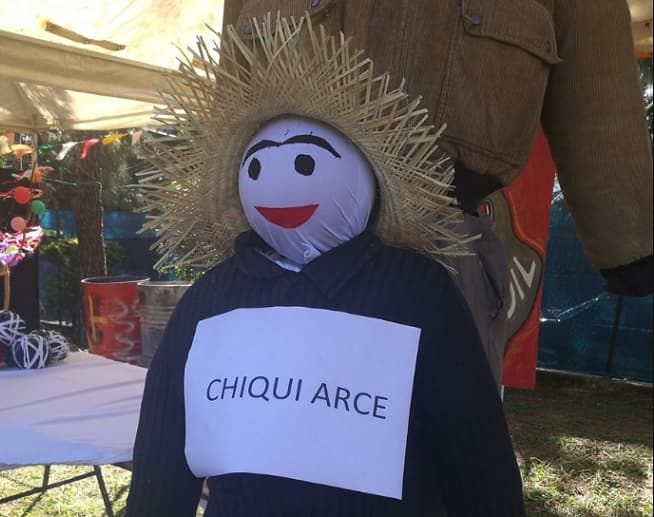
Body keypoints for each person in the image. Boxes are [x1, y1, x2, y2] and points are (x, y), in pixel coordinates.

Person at [126, 16, 525, 516]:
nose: (278, 183)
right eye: (258, 166)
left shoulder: (417, 290)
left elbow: (475, 450)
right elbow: (164, 440)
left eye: (305, 163)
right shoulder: (212, 296)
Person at [220, 0, 654, 385]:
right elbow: (232, 84)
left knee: (441, 434)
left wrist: (627, 234)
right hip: (281, 248)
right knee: (272, 426)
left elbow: (596, 64)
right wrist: (222, 212)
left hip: (445, 242)